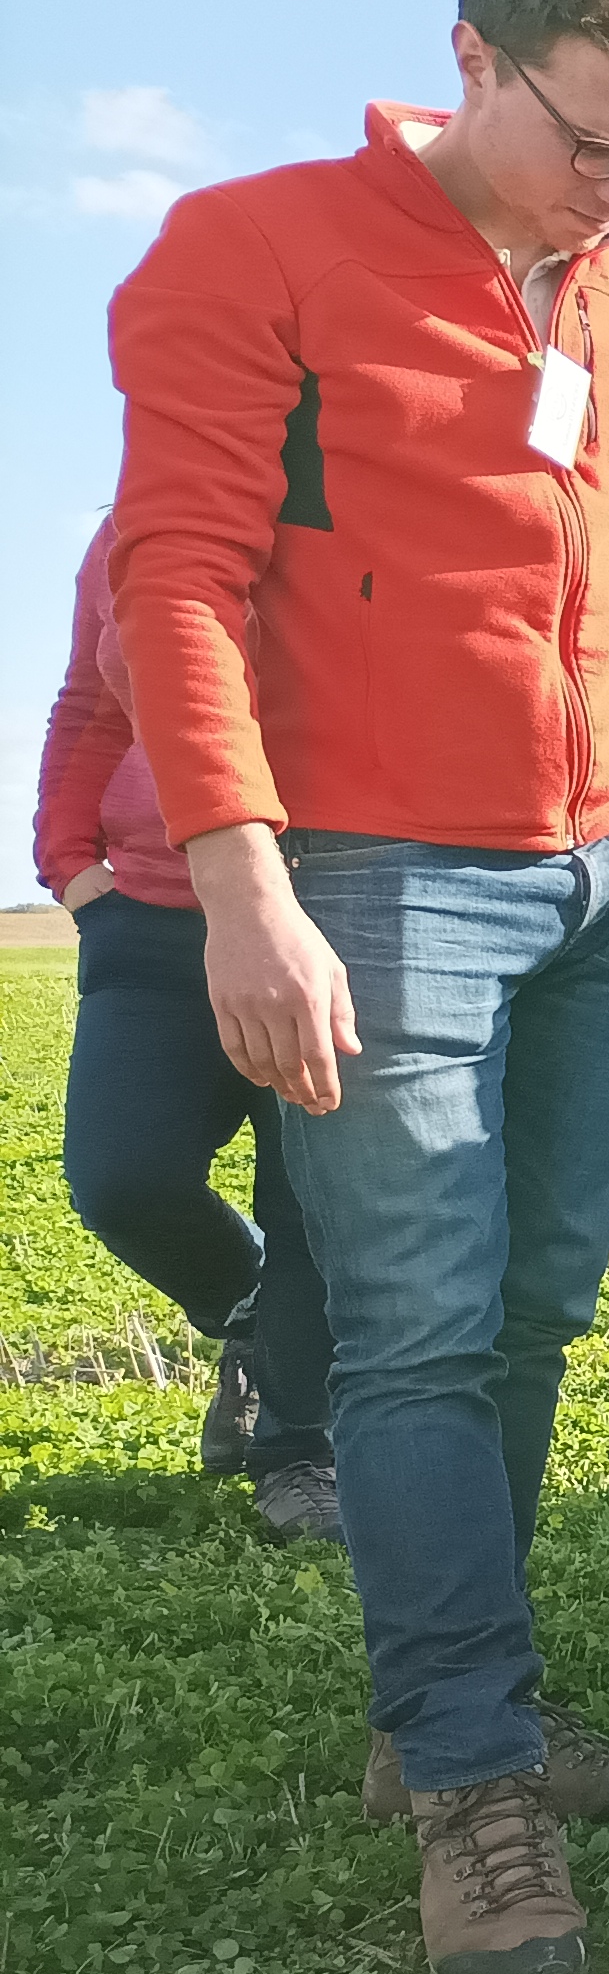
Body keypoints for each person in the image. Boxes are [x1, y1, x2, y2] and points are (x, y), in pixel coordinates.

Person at [107, 0, 609, 1974]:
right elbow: (179, 579)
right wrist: (243, 880)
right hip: (378, 875)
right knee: (405, 1327)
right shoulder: (250, 251)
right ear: (474, 63)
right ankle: (476, 1785)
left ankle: (453, 1700)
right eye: (598, 145)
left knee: (530, 1305)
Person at [37, 517, 338, 1538]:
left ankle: (299, 1452)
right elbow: (88, 697)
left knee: (308, 1200)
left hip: (329, 911)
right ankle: (250, 1318)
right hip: (152, 916)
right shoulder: (128, 530)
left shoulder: (355, 502)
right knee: (124, 1176)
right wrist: (71, 865)